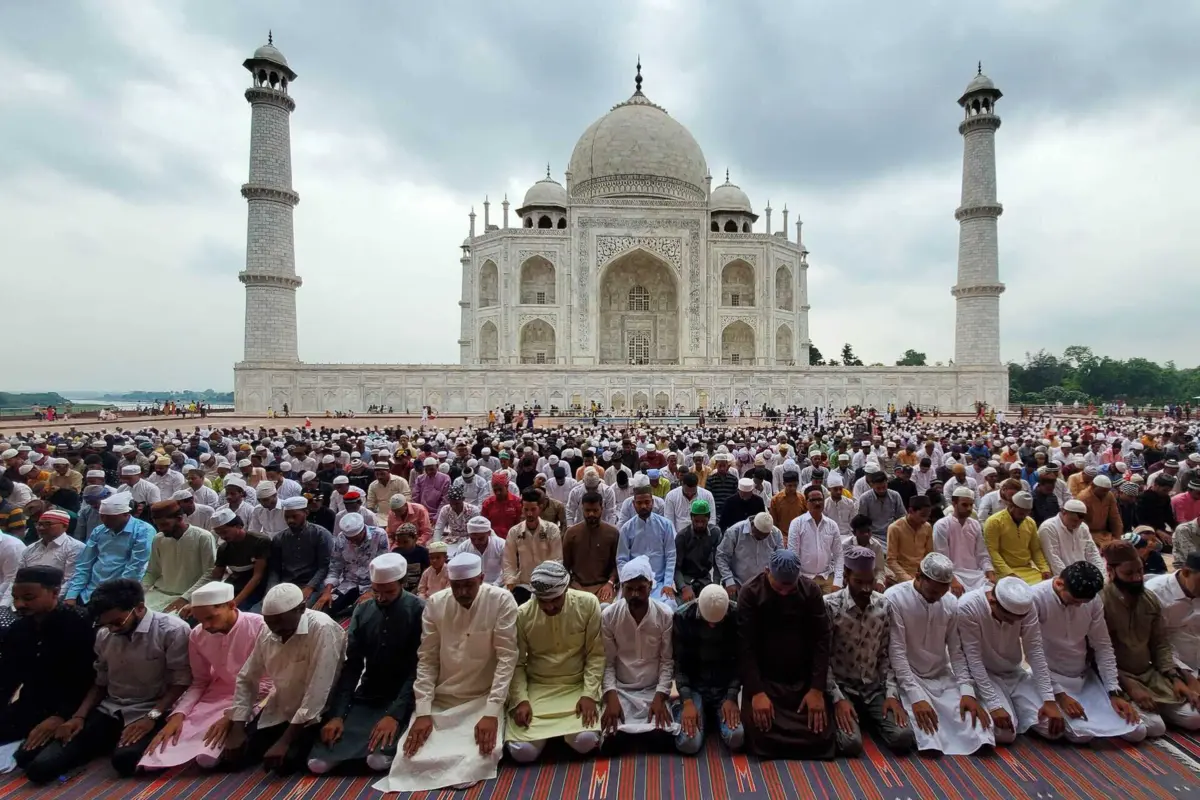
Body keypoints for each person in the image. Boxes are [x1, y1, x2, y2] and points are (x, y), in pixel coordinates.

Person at [19, 579, 191, 783]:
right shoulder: (104, 635)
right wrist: (79, 717)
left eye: (117, 622)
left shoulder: (172, 630)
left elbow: (181, 682)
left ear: (139, 608)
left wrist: (152, 716)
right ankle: (106, 740)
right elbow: (100, 682)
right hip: (112, 708)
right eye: (105, 624)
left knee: (125, 761)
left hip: (153, 708)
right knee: (34, 765)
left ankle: (113, 743)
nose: (112, 629)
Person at [377, 552, 518, 793]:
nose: (462, 592)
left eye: (468, 585)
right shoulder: (436, 603)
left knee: (476, 759)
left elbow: (507, 658)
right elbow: (427, 659)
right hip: (442, 700)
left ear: (482, 578)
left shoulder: (501, 600)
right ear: (448, 583)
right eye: (456, 586)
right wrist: (422, 711)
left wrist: (492, 712)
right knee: (411, 758)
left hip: (483, 699)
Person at [308, 553, 425, 774]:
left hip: (406, 695)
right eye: (376, 591)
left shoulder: (419, 610)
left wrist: (394, 715)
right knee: (317, 764)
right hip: (368, 694)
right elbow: (352, 666)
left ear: (403, 584)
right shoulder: (363, 610)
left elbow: (420, 669)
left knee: (377, 760)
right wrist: (337, 715)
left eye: (389, 592)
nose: (381, 598)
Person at [138, 581, 269, 769]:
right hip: (215, 696)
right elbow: (200, 681)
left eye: (211, 618)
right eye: (201, 620)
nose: (206, 626)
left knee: (208, 758)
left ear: (231, 605)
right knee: (162, 750)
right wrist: (178, 715)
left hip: (256, 696)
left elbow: (268, 682)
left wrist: (233, 716)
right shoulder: (197, 635)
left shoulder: (260, 627)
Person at [220, 583, 347, 774]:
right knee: (233, 757)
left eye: (281, 622)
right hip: (282, 707)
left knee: (284, 765)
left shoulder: (323, 629)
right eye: (271, 623)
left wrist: (285, 741)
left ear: (302, 609)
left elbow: (318, 693)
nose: (276, 630)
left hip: (318, 713)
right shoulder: (270, 631)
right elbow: (247, 678)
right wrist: (238, 726)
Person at [885, 552, 994, 755]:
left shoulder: (950, 602)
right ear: (918, 576)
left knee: (978, 729)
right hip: (908, 678)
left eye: (942, 591)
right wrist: (916, 697)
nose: (937, 597)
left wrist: (967, 691)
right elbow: (897, 653)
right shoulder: (895, 598)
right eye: (933, 591)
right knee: (928, 734)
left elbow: (956, 652)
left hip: (941, 676)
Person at [1030, 561, 1146, 743]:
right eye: (1075, 601)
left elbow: (1102, 646)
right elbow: (1033, 654)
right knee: (1081, 736)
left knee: (1137, 731)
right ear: (1059, 584)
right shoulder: (1036, 598)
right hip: (1048, 678)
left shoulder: (1092, 602)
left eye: (1083, 602)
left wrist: (1114, 692)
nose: (1078, 606)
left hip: (1083, 678)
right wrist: (1059, 696)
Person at [738, 549, 835, 759]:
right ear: (767, 572)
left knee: (821, 733)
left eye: (789, 588)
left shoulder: (810, 591)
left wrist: (817, 690)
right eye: (779, 586)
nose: (783, 593)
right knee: (760, 733)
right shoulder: (750, 593)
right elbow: (745, 647)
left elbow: (822, 641)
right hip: (765, 681)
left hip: (802, 682)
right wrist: (756, 692)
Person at [505, 562, 604, 762]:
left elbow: (596, 654)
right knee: (521, 752)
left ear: (566, 589)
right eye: (543, 601)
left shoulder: (588, 604)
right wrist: (521, 700)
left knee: (585, 741)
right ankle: (554, 736)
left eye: (555, 599)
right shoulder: (523, 614)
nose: (549, 606)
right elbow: (517, 664)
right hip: (538, 688)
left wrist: (589, 694)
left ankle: (558, 736)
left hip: (576, 687)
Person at [0, 567, 95, 772]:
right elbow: (7, 677)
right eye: (15, 598)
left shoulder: (79, 624)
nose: (19, 605)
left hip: (74, 711)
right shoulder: (19, 629)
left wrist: (61, 715)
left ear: (54, 593)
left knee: (37, 766)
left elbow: (88, 680)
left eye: (28, 598)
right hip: (31, 706)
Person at [1101, 541, 1200, 735]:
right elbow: (1098, 655)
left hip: (1149, 674)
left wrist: (1175, 678)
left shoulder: (1149, 599)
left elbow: (1160, 644)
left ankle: (1155, 704)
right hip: (1116, 677)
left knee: (1195, 718)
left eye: (1139, 571)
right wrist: (1129, 686)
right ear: (1111, 571)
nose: (1137, 578)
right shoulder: (1101, 602)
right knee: (1152, 728)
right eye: (1129, 574)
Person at [825, 547, 915, 756]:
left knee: (903, 737)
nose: (866, 589)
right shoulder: (830, 606)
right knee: (850, 745)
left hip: (873, 689)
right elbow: (822, 660)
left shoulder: (883, 605)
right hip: (842, 687)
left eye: (870, 581)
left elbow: (886, 656)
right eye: (859, 582)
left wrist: (891, 695)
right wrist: (837, 699)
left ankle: (865, 717)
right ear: (846, 575)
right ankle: (848, 716)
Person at [956, 577, 1063, 745]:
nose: (1014, 623)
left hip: (1014, 673)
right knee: (1004, 734)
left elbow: (1035, 651)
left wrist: (1049, 700)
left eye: (1018, 618)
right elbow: (973, 659)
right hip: (984, 675)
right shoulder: (968, 607)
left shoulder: (1027, 605)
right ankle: (1008, 711)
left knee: (1053, 728)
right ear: (992, 601)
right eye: (1009, 617)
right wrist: (994, 705)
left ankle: (1016, 711)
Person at [599, 556, 678, 741]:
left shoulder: (665, 615)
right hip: (622, 690)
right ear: (622, 589)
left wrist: (660, 695)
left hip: (654, 689)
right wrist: (611, 696)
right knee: (609, 732)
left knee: (662, 733)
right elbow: (608, 663)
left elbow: (667, 662)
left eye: (640, 589)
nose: (635, 594)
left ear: (650, 586)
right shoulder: (609, 616)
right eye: (629, 589)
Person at [672, 583, 744, 754]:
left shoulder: (737, 615)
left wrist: (732, 696)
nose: (712, 625)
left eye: (717, 622)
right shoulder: (683, 617)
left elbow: (740, 661)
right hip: (695, 687)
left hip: (723, 688)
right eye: (708, 621)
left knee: (736, 738)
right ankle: (679, 710)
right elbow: (680, 665)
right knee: (689, 744)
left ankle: (708, 715)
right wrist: (687, 701)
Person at [64, 494, 155, 606]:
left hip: (118, 593)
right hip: (89, 591)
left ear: (126, 514)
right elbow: (84, 564)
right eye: (102, 516)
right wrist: (72, 594)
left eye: (110, 517)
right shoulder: (99, 531)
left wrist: (114, 596)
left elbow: (135, 568)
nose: (105, 521)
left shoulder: (144, 531)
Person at [142, 500, 217, 614]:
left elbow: (210, 573)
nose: (161, 529)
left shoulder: (203, 537)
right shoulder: (158, 539)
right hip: (158, 593)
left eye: (164, 524)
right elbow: (153, 571)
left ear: (179, 518)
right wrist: (139, 592)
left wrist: (185, 598)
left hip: (189, 596)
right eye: (157, 525)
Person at [616, 484, 678, 608]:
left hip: (660, 583)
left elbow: (671, 556)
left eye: (647, 502)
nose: (643, 506)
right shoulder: (627, 528)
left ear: (653, 502)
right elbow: (621, 560)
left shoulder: (665, 525)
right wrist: (626, 583)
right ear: (633, 504)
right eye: (639, 503)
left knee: (670, 607)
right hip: (634, 584)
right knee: (622, 609)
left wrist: (668, 583)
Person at [502, 489, 564, 604]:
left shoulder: (551, 529)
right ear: (522, 508)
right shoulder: (514, 532)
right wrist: (510, 582)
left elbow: (557, 560)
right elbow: (509, 562)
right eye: (526, 509)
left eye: (533, 509)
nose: (529, 514)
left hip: (547, 584)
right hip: (523, 584)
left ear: (540, 508)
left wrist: (547, 582)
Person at [270, 496, 333, 605]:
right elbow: (275, 569)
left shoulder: (320, 534)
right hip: (287, 585)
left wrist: (310, 587)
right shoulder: (279, 538)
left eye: (294, 516)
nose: (290, 520)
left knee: (299, 610)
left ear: (306, 513)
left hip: (313, 584)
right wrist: (271, 590)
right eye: (287, 517)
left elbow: (324, 567)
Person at [932, 487, 995, 595]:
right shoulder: (942, 525)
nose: (969, 508)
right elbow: (941, 558)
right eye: (965, 505)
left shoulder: (975, 524)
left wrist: (990, 571)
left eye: (971, 505)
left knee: (993, 595)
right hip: (953, 574)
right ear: (954, 504)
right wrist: (952, 580)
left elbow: (982, 554)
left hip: (976, 575)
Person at [1147, 552, 1200, 679]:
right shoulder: (1154, 594)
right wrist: (1186, 676)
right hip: (1173, 670)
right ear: (1186, 572)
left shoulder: (1195, 589)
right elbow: (1154, 644)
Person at [562, 491, 619, 602]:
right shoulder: (571, 533)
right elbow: (565, 565)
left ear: (602, 509)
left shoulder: (613, 533)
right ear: (582, 509)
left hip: (602, 586)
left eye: (595, 510)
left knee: (605, 609)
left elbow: (617, 564)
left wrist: (610, 583)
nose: (591, 514)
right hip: (576, 586)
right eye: (588, 510)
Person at [209, 508, 271, 611]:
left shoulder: (260, 542)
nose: (222, 536)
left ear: (238, 526)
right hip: (236, 585)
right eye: (218, 534)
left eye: (225, 532)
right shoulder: (224, 548)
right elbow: (216, 576)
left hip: (259, 587)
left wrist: (234, 603)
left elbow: (257, 577)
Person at [984, 491, 1051, 585]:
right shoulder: (994, 522)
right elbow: (992, 551)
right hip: (1003, 571)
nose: (1024, 517)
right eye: (1021, 513)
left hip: (1028, 570)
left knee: (1048, 587)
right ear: (1011, 506)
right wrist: (1009, 573)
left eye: (1026, 513)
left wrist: (1045, 569)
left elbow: (1035, 550)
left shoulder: (1030, 522)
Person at [788, 486, 843, 593]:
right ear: (806, 503)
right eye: (813, 500)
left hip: (827, 577)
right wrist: (798, 580)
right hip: (804, 578)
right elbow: (793, 554)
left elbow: (838, 554)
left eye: (820, 499)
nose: (817, 503)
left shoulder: (832, 525)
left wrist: (838, 582)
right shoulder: (797, 523)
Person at [717, 511, 783, 598]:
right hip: (739, 583)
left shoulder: (775, 534)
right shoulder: (735, 532)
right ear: (752, 526)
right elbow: (721, 556)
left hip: (765, 585)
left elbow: (779, 559)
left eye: (764, 537)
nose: (761, 539)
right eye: (759, 536)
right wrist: (729, 580)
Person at [18, 508, 85, 587]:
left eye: (48, 524)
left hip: (58, 596)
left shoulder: (75, 547)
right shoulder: (30, 549)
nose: (41, 528)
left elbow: (70, 581)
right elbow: (20, 577)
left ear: (65, 526)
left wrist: (50, 598)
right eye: (39, 524)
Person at [1037, 498, 1104, 575]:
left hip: (1082, 574)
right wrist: (1069, 580)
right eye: (1074, 520)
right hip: (1060, 576)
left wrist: (1101, 575)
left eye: (1080, 521)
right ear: (1063, 512)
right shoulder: (1048, 528)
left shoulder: (1083, 527)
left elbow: (1092, 553)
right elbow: (1053, 560)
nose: (1077, 524)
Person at [674, 498, 722, 603]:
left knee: (713, 603)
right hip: (686, 579)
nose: (699, 525)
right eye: (696, 521)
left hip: (704, 579)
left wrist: (716, 584)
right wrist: (683, 587)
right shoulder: (682, 536)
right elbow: (676, 568)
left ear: (709, 518)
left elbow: (718, 562)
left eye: (703, 521)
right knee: (685, 607)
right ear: (691, 518)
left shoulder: (715, 533)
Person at [885, 495, 934, 584]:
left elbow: (929, 555)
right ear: (911, 511)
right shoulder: (895, 528)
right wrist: (907, 578)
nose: (925, 520)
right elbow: (891, 560)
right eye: (922, 515)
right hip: (901, 574)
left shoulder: (927, 527)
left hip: (922, 573)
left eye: (927, 516)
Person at [456, 516, 506, 585]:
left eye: (481, 539)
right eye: (473, 539)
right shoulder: (463, 548)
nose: (476, 542)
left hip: (499, 585)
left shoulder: (501, 545)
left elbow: (507, 570)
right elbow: (459, 571)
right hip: (472, 587)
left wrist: (495, 585)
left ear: (488, 533)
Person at [481, 473, 522, 540]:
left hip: (512, 539)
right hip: (493, 540)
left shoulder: (516, 502)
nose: (498, 492)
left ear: (506, 486)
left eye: (500, 489)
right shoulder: (488, 503)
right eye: (495, 490)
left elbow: (519, 524)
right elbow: (484, 524)